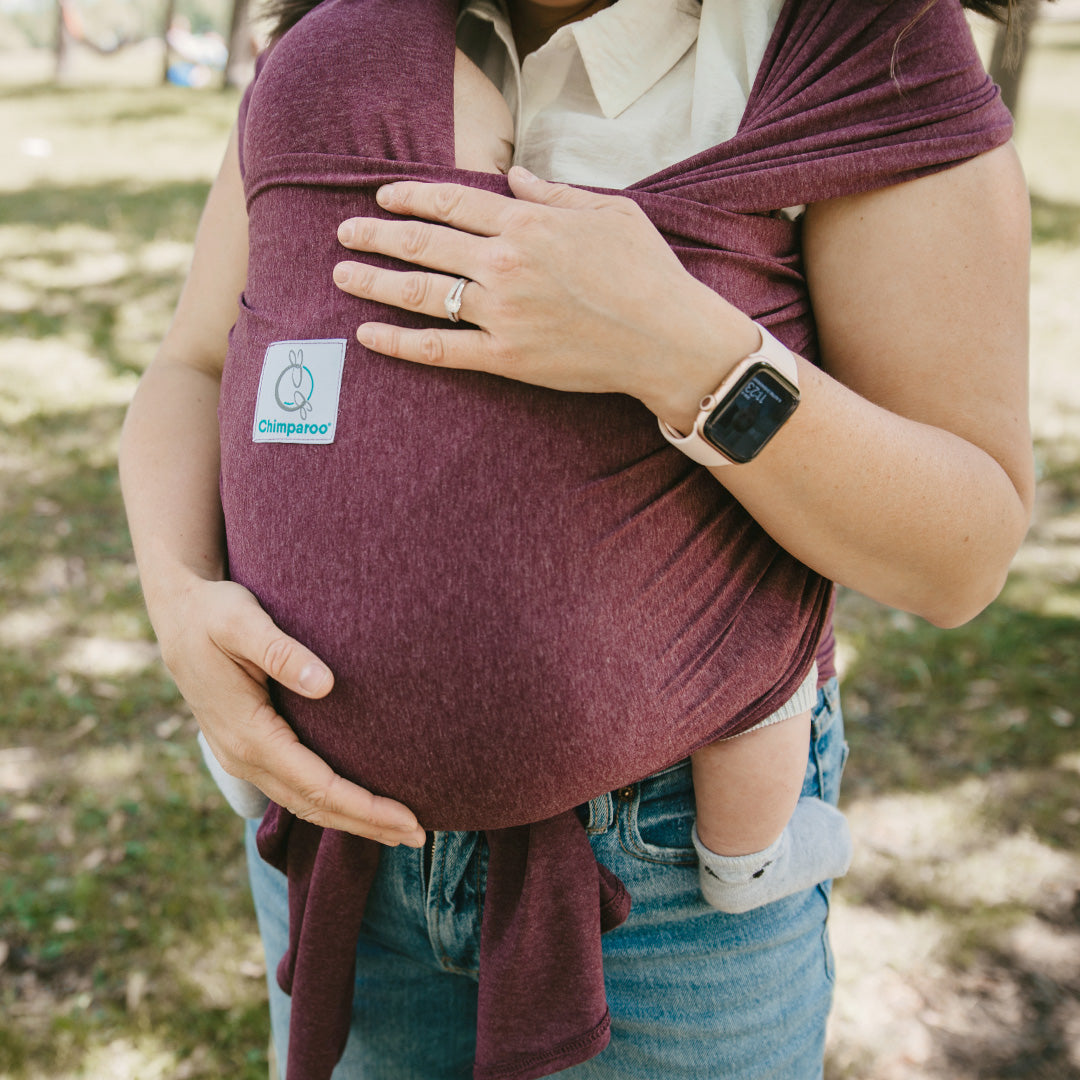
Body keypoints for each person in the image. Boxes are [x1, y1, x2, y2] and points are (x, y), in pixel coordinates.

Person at [119, 0, 1033, 1074]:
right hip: (329, 836)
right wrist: (179, 602)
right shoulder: (338, 37)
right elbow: (194, 364)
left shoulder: (845, 38)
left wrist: (686, 353)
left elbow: (960, 553)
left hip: (668, 875)